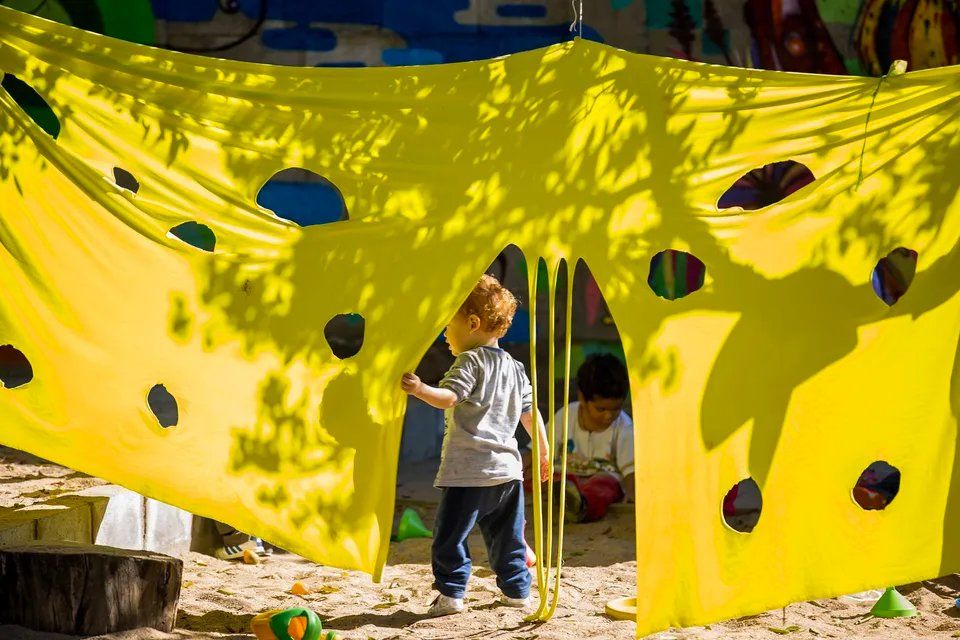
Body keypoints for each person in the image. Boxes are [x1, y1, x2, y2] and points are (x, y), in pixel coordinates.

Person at [400, 274, 549, 617]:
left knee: (449, 536)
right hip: (508, 475)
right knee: (507, 538)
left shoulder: (469, 361)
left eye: (447, 325)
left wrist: (421, 389)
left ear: (471, 322)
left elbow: (450, 397)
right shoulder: (515, 368)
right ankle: (517, 591)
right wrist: (542, 451)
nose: (444, 334)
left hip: (468, 473)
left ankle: (451, 593)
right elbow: (531, 415)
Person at [536, 353, 635, 523]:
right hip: (566, 476)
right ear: (583, 398)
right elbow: (540, 449)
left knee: (603, 489)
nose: (608, 416)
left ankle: (581, 507)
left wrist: (632, 495)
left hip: (601, 478)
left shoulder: (624, 427)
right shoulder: (566, 415)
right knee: (545, 478)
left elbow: (630, 470)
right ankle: (562, 499)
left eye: (615, 409)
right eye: (601, 409)